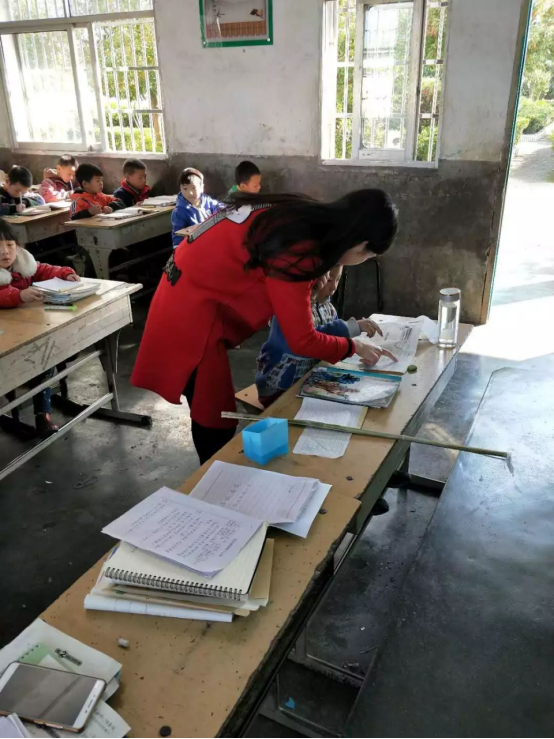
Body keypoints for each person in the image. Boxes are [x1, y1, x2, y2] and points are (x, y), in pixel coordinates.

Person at [131, 190, 398, 465]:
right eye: (368, 255)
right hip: (189, 316)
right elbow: (302, 340)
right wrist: (353, 346)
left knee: (212, 408)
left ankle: (214, 473)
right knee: (213, 414)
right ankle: (212, 478)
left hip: (183, 293)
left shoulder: (302, 214)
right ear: (361, 245)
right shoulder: (299, 248)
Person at [255, 264, 383, 407]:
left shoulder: (328, 308)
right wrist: (352, 329)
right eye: (329, 280)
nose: (334, 287)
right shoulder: (288, 308)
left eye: (338, 279)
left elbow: (334, 343)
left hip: (310, 380)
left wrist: (355, 349)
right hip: (277, 389)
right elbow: (311, 341)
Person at [0, 219, 80, 437]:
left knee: (46, 354)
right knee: (42, 356)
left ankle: (42, 413)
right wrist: (19, 295)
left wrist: (64, 273)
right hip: (6, 342)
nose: (5, 252)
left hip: (30, 334)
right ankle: (38, 412)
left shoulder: (22, 265)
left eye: (10, 245)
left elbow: (44, 270)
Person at [171, 168, 223, 248]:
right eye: (185, 188)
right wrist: (177, 249)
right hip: (194, 247)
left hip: (212, 241)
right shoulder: (179, 211)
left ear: (202, 187)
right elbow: (178, 236)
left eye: (193, 188)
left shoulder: (208, 201)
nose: (190, 193)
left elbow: (220, 208)